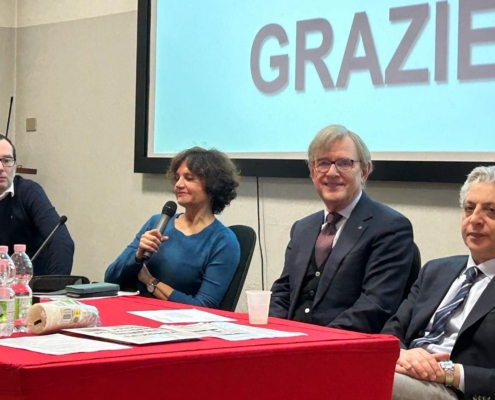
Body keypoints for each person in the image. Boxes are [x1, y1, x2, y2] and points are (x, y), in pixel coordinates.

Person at [269, 124, 414, 333]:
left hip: (342, 345)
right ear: (312, 172)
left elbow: (375, 307)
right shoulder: (302, 228)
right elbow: (282, 293)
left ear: (365, 171)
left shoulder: (390, 228)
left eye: (344, 163)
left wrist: (319, 341)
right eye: (323, 163)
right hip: (290, 342)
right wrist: (274, 334)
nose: (332, 173)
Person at [382, 166, 495, 400]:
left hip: (457, 389)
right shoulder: (435, 271)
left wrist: (449, 373)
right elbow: (392, 331)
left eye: (491, 211)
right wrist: (401, 354)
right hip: (406, 371)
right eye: (469, 208)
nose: (475, 220)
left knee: (369, 380)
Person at [105, 147, 241, 309]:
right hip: (131, 310)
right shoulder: (157, 222)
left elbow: (204, 306)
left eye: (189, 178)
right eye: (177, 178)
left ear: (213, 185)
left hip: (177, 320)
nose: (178, 185)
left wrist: (151, 282)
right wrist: (137, 257)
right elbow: (110, 279)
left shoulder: (223, 241)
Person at [0, 134, 74, 275]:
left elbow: (61, 242)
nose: (1, 167)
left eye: (6, 160)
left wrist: (53, 286)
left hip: (31, 284)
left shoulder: (29, 192)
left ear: (15, 166)